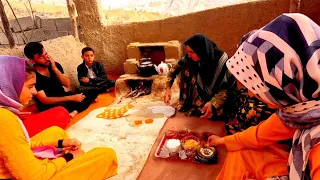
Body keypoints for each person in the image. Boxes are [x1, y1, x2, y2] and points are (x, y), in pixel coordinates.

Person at [207, 13, 320, 179]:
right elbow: (260, 134)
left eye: (259, 84)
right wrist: (222, 141)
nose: (252, 93)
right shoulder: (301, 111)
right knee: (240, 153)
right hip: (297, 166)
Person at [0, 55, 118, 179]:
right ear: (8, 84)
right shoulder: (5, 119)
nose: (34, 91)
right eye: (30, 87)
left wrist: (60, 143)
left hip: (66, 99)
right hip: (31, 175)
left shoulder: (55, 68)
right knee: (106, 155)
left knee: (57, 132)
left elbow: (22, 144)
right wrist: (68, 158)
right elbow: (34, 176)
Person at [164, 33, 236, 119]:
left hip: (222, 97)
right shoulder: (190, 58)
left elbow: (226, 90)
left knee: (217, 113)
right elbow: (173, 71)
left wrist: (212, 103)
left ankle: (208, 106)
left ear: (202, 50)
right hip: (203, 95)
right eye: (188, 52)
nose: (189, 55)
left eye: (192, 52)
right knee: (186, 67)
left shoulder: (221, 61)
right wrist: (168, 89)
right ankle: (193, 103)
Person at [24, 42, 99, 118]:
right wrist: (72, 98)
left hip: (65, 97)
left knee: (93, 90)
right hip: (50, 106)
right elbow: (45, 100)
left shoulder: (55, 65)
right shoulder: (33, 76)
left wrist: (55, 69)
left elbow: (67, 84)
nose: (47, 58)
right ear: (32, 61)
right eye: (41, 57)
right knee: (60, 110)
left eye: (46, 54)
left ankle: (75, 110)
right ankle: (81, 105)